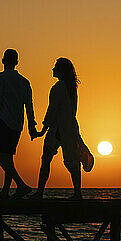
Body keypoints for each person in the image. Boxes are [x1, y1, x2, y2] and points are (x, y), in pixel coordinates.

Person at [0, 49, 37, 198]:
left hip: (2, 121)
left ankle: (21, 185)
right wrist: (31, 125)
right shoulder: (24, 81)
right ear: (17, 62)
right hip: (17, 124)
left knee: (0, 157)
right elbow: (29, 105)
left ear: (3, 60)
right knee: (8, 157)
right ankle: (5, 191)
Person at [30, 58, 83, 200]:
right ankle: (78, 193)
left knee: (46, 159)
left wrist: (43, 129)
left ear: (60, 70)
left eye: (55, 67)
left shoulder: (58, 87)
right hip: (70, 128)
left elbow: (52, 110)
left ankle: (40, 192)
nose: (52, 69)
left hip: (58, 129)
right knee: (73, 161)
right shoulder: (72, 88)